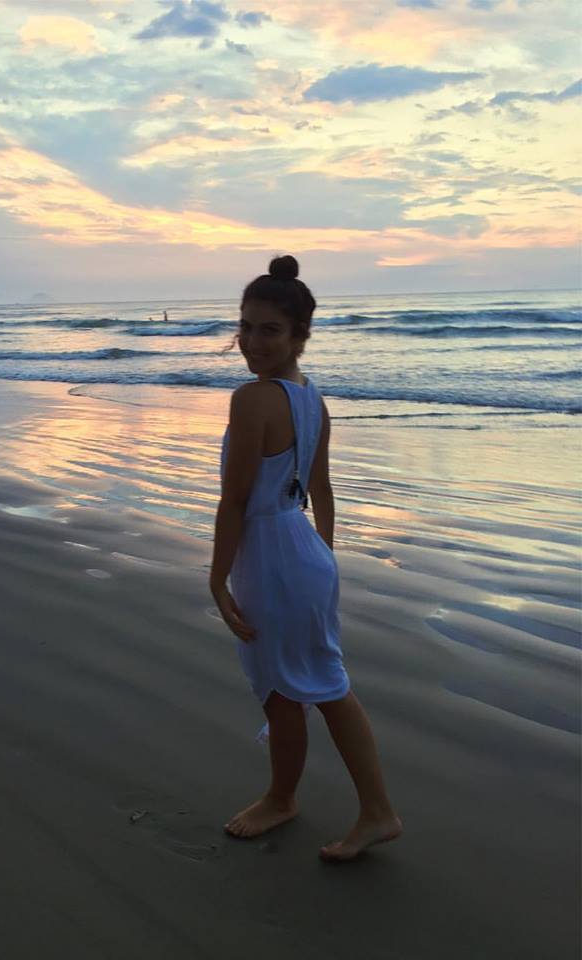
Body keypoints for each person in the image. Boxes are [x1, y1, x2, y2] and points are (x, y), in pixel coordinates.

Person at [210, 254, 403, 861]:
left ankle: (282, 798)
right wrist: (322, 552)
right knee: (327, 683)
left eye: (269, 329)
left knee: (282, 689)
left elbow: (235, 501)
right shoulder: (312, 399)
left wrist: (217, 581)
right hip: (304, 553)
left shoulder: (253, 399)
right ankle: (376, 810)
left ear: (300, 334)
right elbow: (319, 488)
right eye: (245, 327)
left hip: (273, 557)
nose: (252, 341)